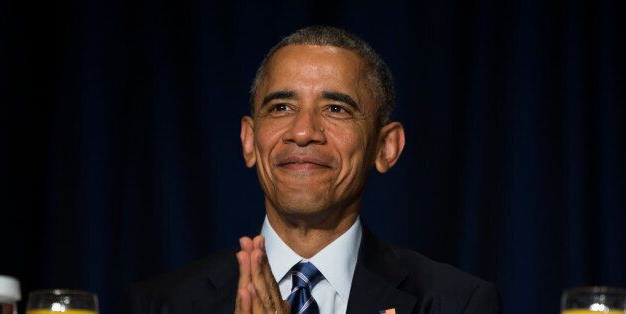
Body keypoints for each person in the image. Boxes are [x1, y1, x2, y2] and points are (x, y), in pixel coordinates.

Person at [121, 26, 501, 314]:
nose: (303, 132)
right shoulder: (157, 304)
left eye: (336, 109)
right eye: (281, 107)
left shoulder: (458, 303)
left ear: (386, 147)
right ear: (249, 141)